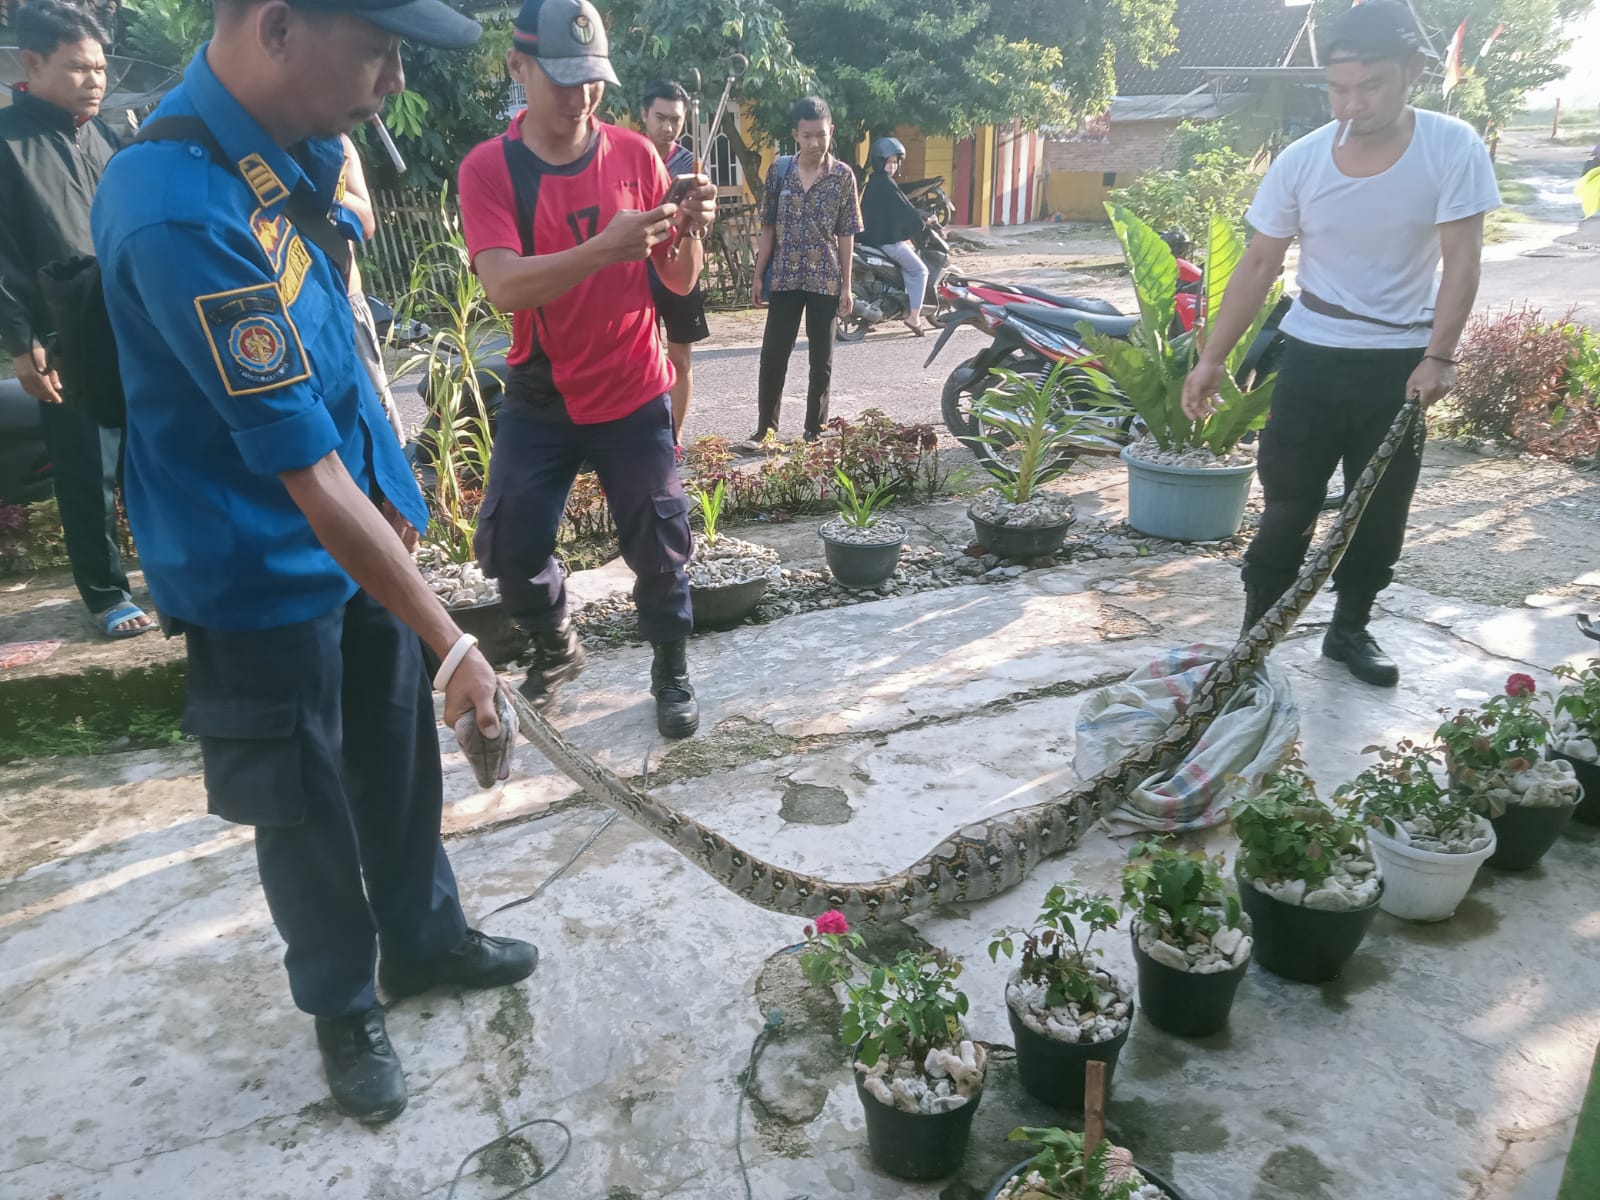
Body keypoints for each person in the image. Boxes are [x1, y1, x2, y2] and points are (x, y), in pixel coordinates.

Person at [91, 0, 536, 1125]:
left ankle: (425, 941)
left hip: (358, 541)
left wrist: (405, 524)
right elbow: (301, 471)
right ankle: (343, 1004)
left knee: (397, 758)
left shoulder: (304, 151)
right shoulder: (174, 207)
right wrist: (457, 640)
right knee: (303, 805)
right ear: (279, 28)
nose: (394, 78)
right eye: (378, 49)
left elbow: (342, 352)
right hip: (252, 567)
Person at [1181, 0, 1498, 688]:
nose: (1353, 104)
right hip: (1311, 358)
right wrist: (1212, 358)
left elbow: (1462, 261)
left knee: (1378, 511)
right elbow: (1259, 264)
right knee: (1288, 505)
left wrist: (1439, 356)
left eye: (1373, 85)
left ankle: (1349, 628)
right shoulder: (1301, 161)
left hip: (1399, 369)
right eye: (1338, 88)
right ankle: (1255, 637)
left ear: (1412, 71)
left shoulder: (1452, 147)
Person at [456, 0, 717, 736]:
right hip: (543, 390)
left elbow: (674, 279)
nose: (579, 98)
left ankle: (671, 667)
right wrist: (608, 245)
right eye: (562, 79)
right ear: (519, 67)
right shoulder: (490, 169)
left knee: (661, 542)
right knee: (510, 542)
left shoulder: (638, 155)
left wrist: (686, 231)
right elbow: (505, 284)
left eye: (592, 80)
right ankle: (555, 641)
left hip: (633, 382)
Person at [0, 0, 153, 638]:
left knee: (148, 452)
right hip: (61, 329)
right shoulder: (8, 144)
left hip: (130, 317)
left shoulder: (103, 133)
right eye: (78, 68)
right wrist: (20, 342)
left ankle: (164, 570)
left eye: (99, 68)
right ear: (31, 63)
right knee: (86, 463)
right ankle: (105, 593)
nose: (96, 80)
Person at [746, 95, 861, 449]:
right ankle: (766, 430)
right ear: (795, 134)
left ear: (832, 132)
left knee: (821, 359)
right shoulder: (779, 171)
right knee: (773, 355)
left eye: (821, 135)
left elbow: (846, 234)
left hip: (825, 279)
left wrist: (847, 286)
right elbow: (768, 228)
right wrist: (758, 274)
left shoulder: (843, 177)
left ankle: (815, 430)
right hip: (784, 277)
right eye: (807, 135)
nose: (815, 143)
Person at [639, 78, 710, 446]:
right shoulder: (630, 159)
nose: (668, 127)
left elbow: (704, 227)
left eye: (676, 120)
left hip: (681, 270)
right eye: (661, 117)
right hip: (639, 273)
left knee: (680, 360)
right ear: (644, 115)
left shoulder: (691, 164)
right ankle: (647, 438)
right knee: (643, 364)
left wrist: (700, 220)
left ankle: (674, 440)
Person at [339, 132, 406, 444]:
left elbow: (366, 222)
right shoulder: (244, 143)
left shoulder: (334, 143)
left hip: (344, 302)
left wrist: (324, 185)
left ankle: (397, 491)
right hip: (284, 310)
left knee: (378, 423)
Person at [860, 135, 929, 336]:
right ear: (879, 162)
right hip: (887, 242)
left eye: (894, 162)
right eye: (888, 162)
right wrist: (922, 220)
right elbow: (904, 208)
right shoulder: (886, 183)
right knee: (920, 270)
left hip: (870, 240)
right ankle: (914, 316)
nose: (892, 166)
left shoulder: (874, 182)